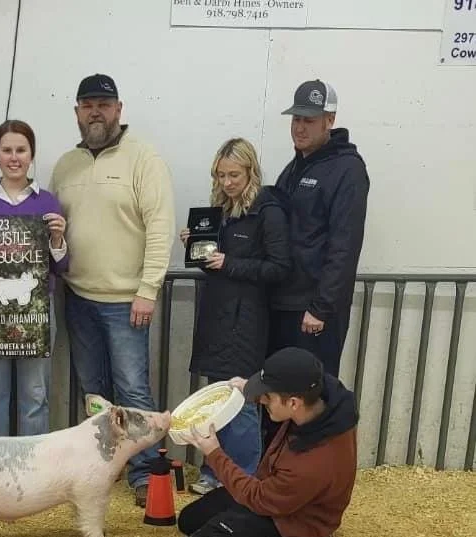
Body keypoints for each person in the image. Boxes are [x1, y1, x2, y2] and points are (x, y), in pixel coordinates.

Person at [49, 74, 175, 507]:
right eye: (88, 104)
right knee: (95, 392)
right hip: (78, 297)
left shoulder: (144, 159)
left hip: (126, 301)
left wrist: (148, 289)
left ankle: (144, 475)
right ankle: (105, 466)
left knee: (133, 391)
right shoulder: (65, 165)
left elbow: (160, 228)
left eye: (104, 104)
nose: (96, 112)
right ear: (77, 112)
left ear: (119, 109)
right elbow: (53, 232)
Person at [174, 347, 356, 537]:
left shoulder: (311, 464)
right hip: (278, 492)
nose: (261, 400)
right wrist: (246, 387)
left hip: (291, 517)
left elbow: (259, 499)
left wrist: (214, 454)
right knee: (189, 520)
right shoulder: (322, 395)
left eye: (266, 397)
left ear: (293, 403)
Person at [178, 138, 291, 495]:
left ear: (250, 172)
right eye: (221, 175)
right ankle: (217, 473)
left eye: (234, 175)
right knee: (217, 398)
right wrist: (196, 248)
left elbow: (280, 268)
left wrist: (231, 262)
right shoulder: (220, 211)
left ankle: (243, 477)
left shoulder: (268, 212)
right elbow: (216, 265)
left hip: (247, 320)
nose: (227, 182)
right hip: (217, 315)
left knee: (240, 400)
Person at [0, 120, 69, 436]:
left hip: (37, 309)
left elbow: (61, 268)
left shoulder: (46, 201)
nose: (14, 157)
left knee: (35, 395)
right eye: (7, 150)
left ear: (31, 154)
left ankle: (32, 472)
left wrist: (58, 239)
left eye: (21, 149)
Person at [268, 80, 370, 378]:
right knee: (279, 395)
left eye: (309, 120)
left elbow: (345, 245)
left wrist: (321, 308)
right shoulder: (296, 166)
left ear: (330, 120)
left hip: (313, 311)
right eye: (296, 119)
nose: (299, 128)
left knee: (311, 397)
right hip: (284, 302)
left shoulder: (348, 170)